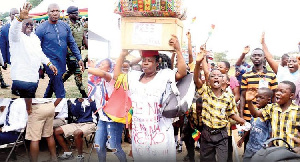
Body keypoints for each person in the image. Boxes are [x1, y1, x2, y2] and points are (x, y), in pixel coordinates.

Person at [113, 35, 187, 161]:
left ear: (157, 62)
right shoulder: (134, 76)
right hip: (140, 131)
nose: (145, 63)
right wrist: (122, 55)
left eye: (150, 60)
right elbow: (117, 76)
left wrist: (178, 51)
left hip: (161, 130)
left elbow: (182, 72)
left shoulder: (165, 75)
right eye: (144, 60)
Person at [194, 45, 246, 162]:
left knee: (223, 159)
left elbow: (231, 114)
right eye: (213, 76)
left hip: (222, 134)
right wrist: (198, 64)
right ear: (209, 80)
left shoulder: (229, 96)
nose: (216, 77)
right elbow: (197, 79)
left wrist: (242, 121)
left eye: (219, 76)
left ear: (224, 80)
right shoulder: (205, 92)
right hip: (206, 133)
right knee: (206, 159)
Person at [35, 3, 84, 98]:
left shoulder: (65, 26)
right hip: (50, 62)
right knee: (60, 89)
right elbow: (35, 48)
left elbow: (72, 43)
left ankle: (45, 99)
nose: (55, 13)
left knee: (53, 82)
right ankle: (63, 107)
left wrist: (79, 58)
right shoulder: (41, 29)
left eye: (57, 11)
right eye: (52, 11)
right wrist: (39, 65)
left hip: (62, 61)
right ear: (48, 13)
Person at [9, 3, 57, 98]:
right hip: (21, 77)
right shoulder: (17, 38)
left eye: (32, 24)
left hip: (33, 77)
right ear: (21, 25)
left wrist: (49, 64)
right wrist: (19, 19)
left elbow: (39, 53)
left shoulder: (34, 38)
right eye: (27, 24)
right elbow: (13, 30)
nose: (30, 26)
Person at [88, 58, 128, 162]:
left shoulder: (112, 78)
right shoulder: (95, 81)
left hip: (113, 118)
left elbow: (103, 73)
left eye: (103, 64)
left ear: (110, 68)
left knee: (114, 147)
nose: (100, 65)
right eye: (99, 64)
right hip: (102, 118)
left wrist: (86, 68)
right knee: (99, 146)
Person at [239, 47, 278, 151]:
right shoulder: (246, 76)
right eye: (254, 55)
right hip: (248, 114)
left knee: (265, 140)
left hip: (266, 114)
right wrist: (241, 115)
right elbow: (242, 96)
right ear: (251, 58)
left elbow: (274, 97)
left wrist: (274, 114)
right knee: (248, 141)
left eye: (259, 55)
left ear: (264, 57)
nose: (256, 57)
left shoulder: (271, 75)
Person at [246, 81, 300, 150]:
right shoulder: (272, 108)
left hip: (292, 151)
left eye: (282, 91)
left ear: (291, 95)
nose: (277, 93)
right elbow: (255, 114)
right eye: (277, 90)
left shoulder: (297, 111)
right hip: (275, 149)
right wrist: (249, 101)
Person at [237, 88, 273, 162]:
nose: (257, 99)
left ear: (268, 100)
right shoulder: (255, 111)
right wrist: (243, 138)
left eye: (261, 97)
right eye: (256, 97)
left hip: (261, 149)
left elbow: (271, 134)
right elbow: (251, 126)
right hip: (250, 147)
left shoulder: (269, 115)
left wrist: (267, 149)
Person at [62, 6, 88, 98]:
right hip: (69, 52)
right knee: (77, 71)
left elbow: (84, 37)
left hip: (78, 51)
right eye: (75, 13)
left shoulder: (80, 24)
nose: (77, 14)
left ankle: (58, 83)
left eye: (78, 13)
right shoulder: (65, 26)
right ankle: (83, 93)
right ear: (69, 15)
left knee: (72, 70)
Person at [25, 98, 58, 162]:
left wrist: (28, 108)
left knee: (34, 138)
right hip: (49, 105)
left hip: (37, 107)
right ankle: (54, 159)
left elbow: (28, 96)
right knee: (49, 135)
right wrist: (53, 105)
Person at [0, 8, 19, 93]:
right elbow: (3, 45)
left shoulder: (23, 26)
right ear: (10, 16)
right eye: (13, 14)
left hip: (22, 54)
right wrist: (3, 60)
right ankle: (15, 89)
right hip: (11, 55)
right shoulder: (4, 29)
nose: (15, 16)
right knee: (16, 72)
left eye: (17, 14)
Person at [182, 97, 203, 162]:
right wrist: (191, 123)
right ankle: (191, 157)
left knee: (204, 144)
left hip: (203, 128)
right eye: (198, 108)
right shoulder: (191, 107)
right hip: (193, 127)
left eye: (201, 109)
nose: (199, 111)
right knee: (188, 141)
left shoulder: (207, 110)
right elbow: (187, 115)